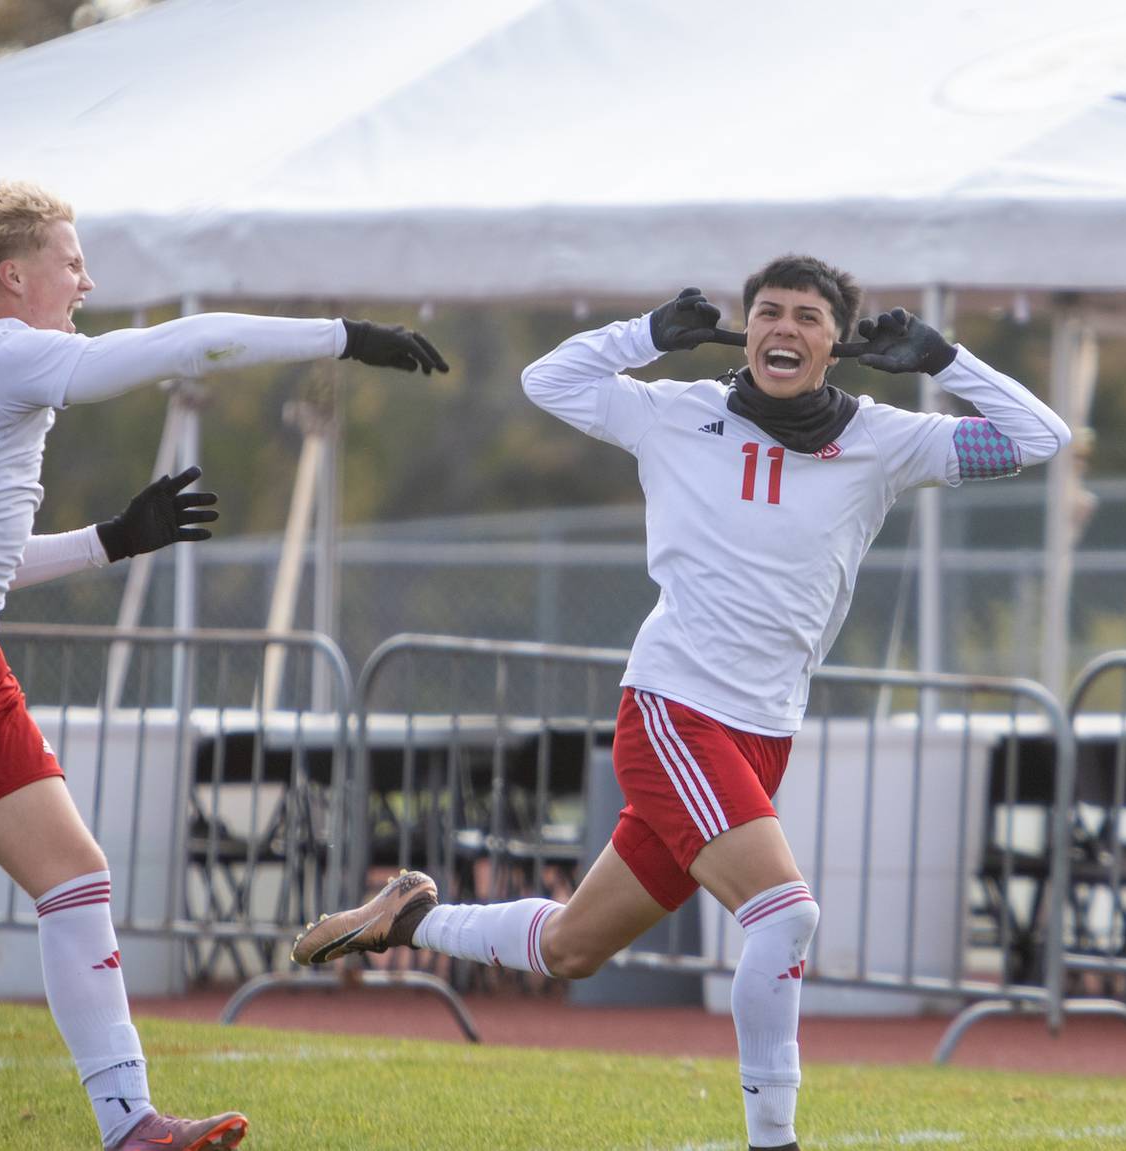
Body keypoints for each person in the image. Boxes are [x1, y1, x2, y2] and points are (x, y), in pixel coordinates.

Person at [290, 255, 1070, 1150]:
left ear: (835, 345)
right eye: (768, 312)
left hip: (763, 731)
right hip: (674, 710)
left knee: (574, 945)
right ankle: (772, 1141)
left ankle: (410, 917)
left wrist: (943, 356)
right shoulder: (674, 411)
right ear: (747, 328)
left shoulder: (881, 437)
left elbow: (1040, 438)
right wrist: (647, 335)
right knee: (786, 913)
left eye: (808, 317)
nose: (784, 327)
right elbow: (547, 380)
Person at [0, 180, 449, 1151]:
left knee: (75, 874)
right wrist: (338, 336)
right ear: (15, 275)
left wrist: (109, 539)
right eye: (72, 258)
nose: (87, 278)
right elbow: (182, 344)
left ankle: (129, 1122)